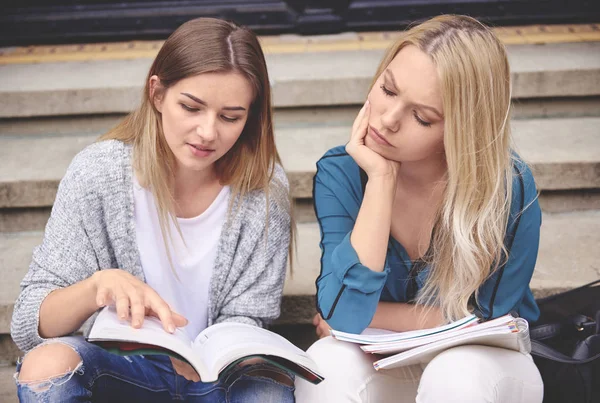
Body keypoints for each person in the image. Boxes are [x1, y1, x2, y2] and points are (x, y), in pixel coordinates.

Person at [11, 17, 295, 403]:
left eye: (231, 117)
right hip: (125, 371)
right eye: (191, 107)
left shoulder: (264, 189)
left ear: (251, 117)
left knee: (267, 391)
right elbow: (30, 324)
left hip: (216, 377)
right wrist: (97, 287)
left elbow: (249, 317)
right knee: (46, 367)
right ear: (157, 94)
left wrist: (218, 358)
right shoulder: (99, 174)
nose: (208, 132)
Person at [295, 15, 544, 403]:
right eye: (388, 90)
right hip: (384, 359)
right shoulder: (343, 171)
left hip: (486, 367)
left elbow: (485, 318)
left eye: (422, 117)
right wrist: (381, 180)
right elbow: (344, 312)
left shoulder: (507, 186)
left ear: (462, 128)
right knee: (325, 367)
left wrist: (371, 316)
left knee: (453, 373)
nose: (388, 120)